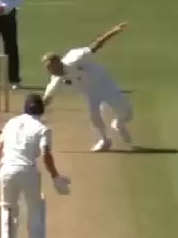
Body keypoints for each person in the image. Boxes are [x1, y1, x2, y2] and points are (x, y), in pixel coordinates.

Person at [0, 94, 70, 238]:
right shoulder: (43, 129)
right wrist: (55, 177)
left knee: (7, 207)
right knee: (35, 208)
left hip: (7, 170)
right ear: (42, 110)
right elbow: (46, 156)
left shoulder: (11, 123)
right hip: (27, 171)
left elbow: (0, 149)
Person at [41, 22, 135, 152]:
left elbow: (96, 45)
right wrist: (34, 112)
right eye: (48, 69)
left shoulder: (76, 57)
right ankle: (105, 140)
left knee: (127, 113)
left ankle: (119, 123)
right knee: (94, 116)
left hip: (103, 83)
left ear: (58, 63)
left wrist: (115, 30)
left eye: (51, 67)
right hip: (89, 93)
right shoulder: (56, 80)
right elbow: (47, 98)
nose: (50, 71)